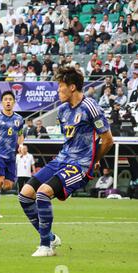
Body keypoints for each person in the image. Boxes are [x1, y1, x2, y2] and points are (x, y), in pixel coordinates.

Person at [18, 66, 114, 257]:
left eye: (60, 87)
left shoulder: (90, 107)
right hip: (61, 159)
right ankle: (51, 237)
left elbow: (108, 139)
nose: (57, 91)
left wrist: (93, 160)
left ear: (72, 87)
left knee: (43, 194)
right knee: (25, 195)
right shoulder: (62, 111)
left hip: (79, 165)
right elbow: (70, 140)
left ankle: (45, 246)